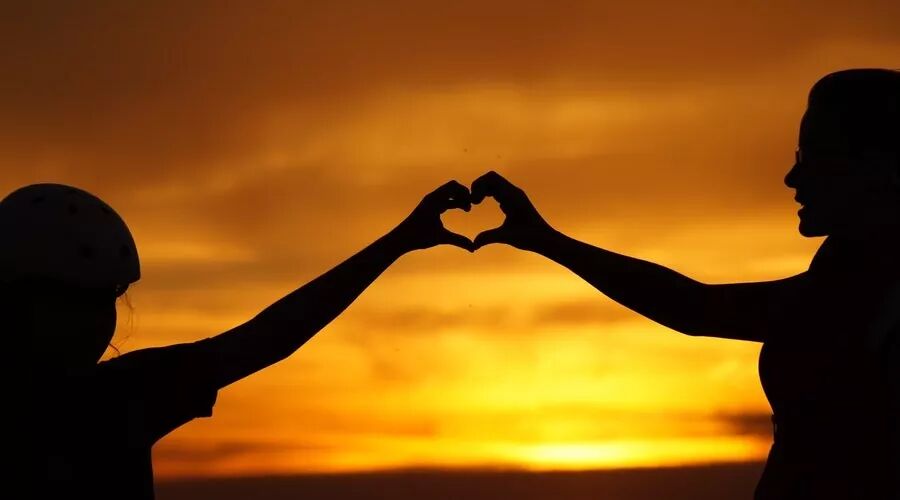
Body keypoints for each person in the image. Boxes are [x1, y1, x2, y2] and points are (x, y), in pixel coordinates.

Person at [468, 68, 900, 499]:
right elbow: (695, 307)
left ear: (879, 167)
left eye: (813, 156)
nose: (792, 176)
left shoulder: (875, 289)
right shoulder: (845, 273)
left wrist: (547, 241)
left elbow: (695, 309)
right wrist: (545, 240)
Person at [5, 180, 474, 499]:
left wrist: (399, 241)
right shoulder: (119, 399)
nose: (93, 323)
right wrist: (399, 241)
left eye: (105, 299)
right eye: (70, 300)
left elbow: (270, 337)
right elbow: (267, 338)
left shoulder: (125, 392)